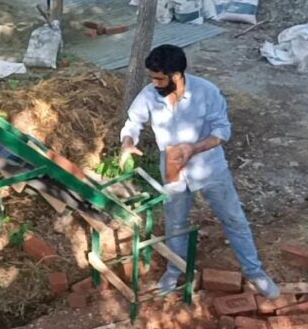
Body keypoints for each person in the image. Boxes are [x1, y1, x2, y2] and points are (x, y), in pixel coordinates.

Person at [119, 44, 280, 299]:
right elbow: (133, 123)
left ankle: (254, 272)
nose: (153, 83)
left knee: (233, 218)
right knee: (175, 222)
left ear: (176, 75)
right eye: (151, 77)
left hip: (209, 167)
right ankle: (175, 270)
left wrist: (193, 148)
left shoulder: (207, 92)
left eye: (158, 78)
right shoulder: (149, 94)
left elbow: (222, 131)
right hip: (172, 168)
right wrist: (128, 143)